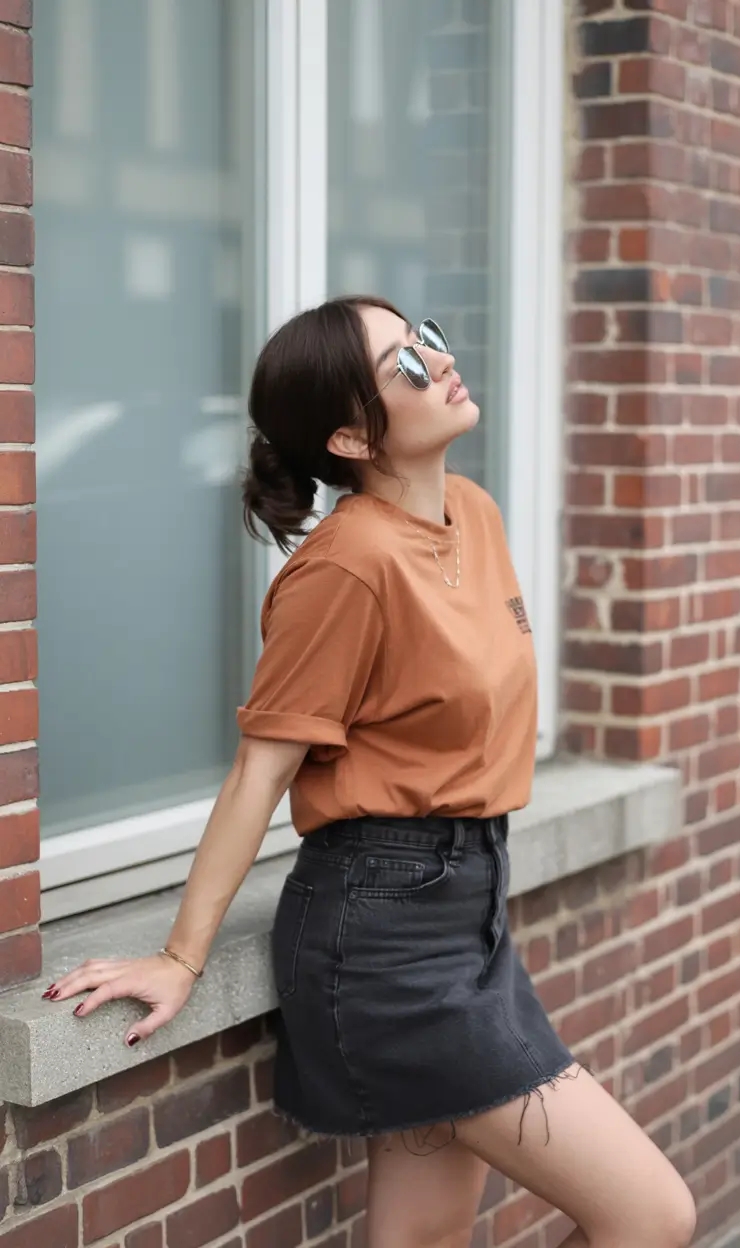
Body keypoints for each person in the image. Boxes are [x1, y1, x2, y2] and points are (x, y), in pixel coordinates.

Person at [45, 297, 697, 1248]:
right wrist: (181, 957)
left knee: (424, 1236)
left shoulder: (474, 513)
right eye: (406, 366)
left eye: (426, 338)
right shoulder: (344, 567)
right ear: (351, 437)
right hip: (383, 932)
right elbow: (261, 770)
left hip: (470, 905)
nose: (441, 360)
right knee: (650, 1214)